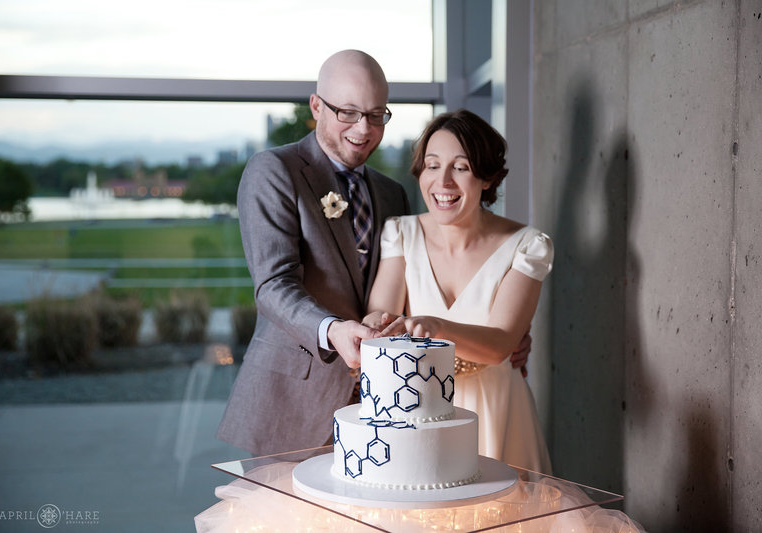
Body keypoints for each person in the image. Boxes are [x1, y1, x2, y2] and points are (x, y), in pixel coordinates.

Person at [216, 50, 410, 456]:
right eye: (349, 112)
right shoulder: (274, 170)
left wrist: (503, 336)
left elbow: (414, 282)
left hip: (381, 409)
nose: (364, 128)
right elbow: (272, 285)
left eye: (377, 115)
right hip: (292, 405)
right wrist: (334, 330)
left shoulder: (393, 194)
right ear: (317, 106)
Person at [364, 109, 553, 473]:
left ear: (486, 178)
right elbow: (378, 315)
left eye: (461, 168)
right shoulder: (401, 233)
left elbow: (500, 345)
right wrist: (379, 321)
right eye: (432, 166)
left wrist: (435, 327)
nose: (443, 182)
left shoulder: (527, 245)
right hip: (416, 407)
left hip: (496, 408)